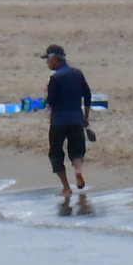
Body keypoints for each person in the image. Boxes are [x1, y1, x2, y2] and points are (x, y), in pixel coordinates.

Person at [42, 44, 92, 199]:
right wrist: (85, 117)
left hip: (58, 121)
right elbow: (88, 95)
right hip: (76, 118)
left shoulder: (55, 78)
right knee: (77, 150)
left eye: (47, 60)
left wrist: (47, 92)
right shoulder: (77, 73)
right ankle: (78, 171)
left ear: (54, 59)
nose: (47, 63)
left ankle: (66, 188)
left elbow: (51, 101)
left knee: (56, 154)